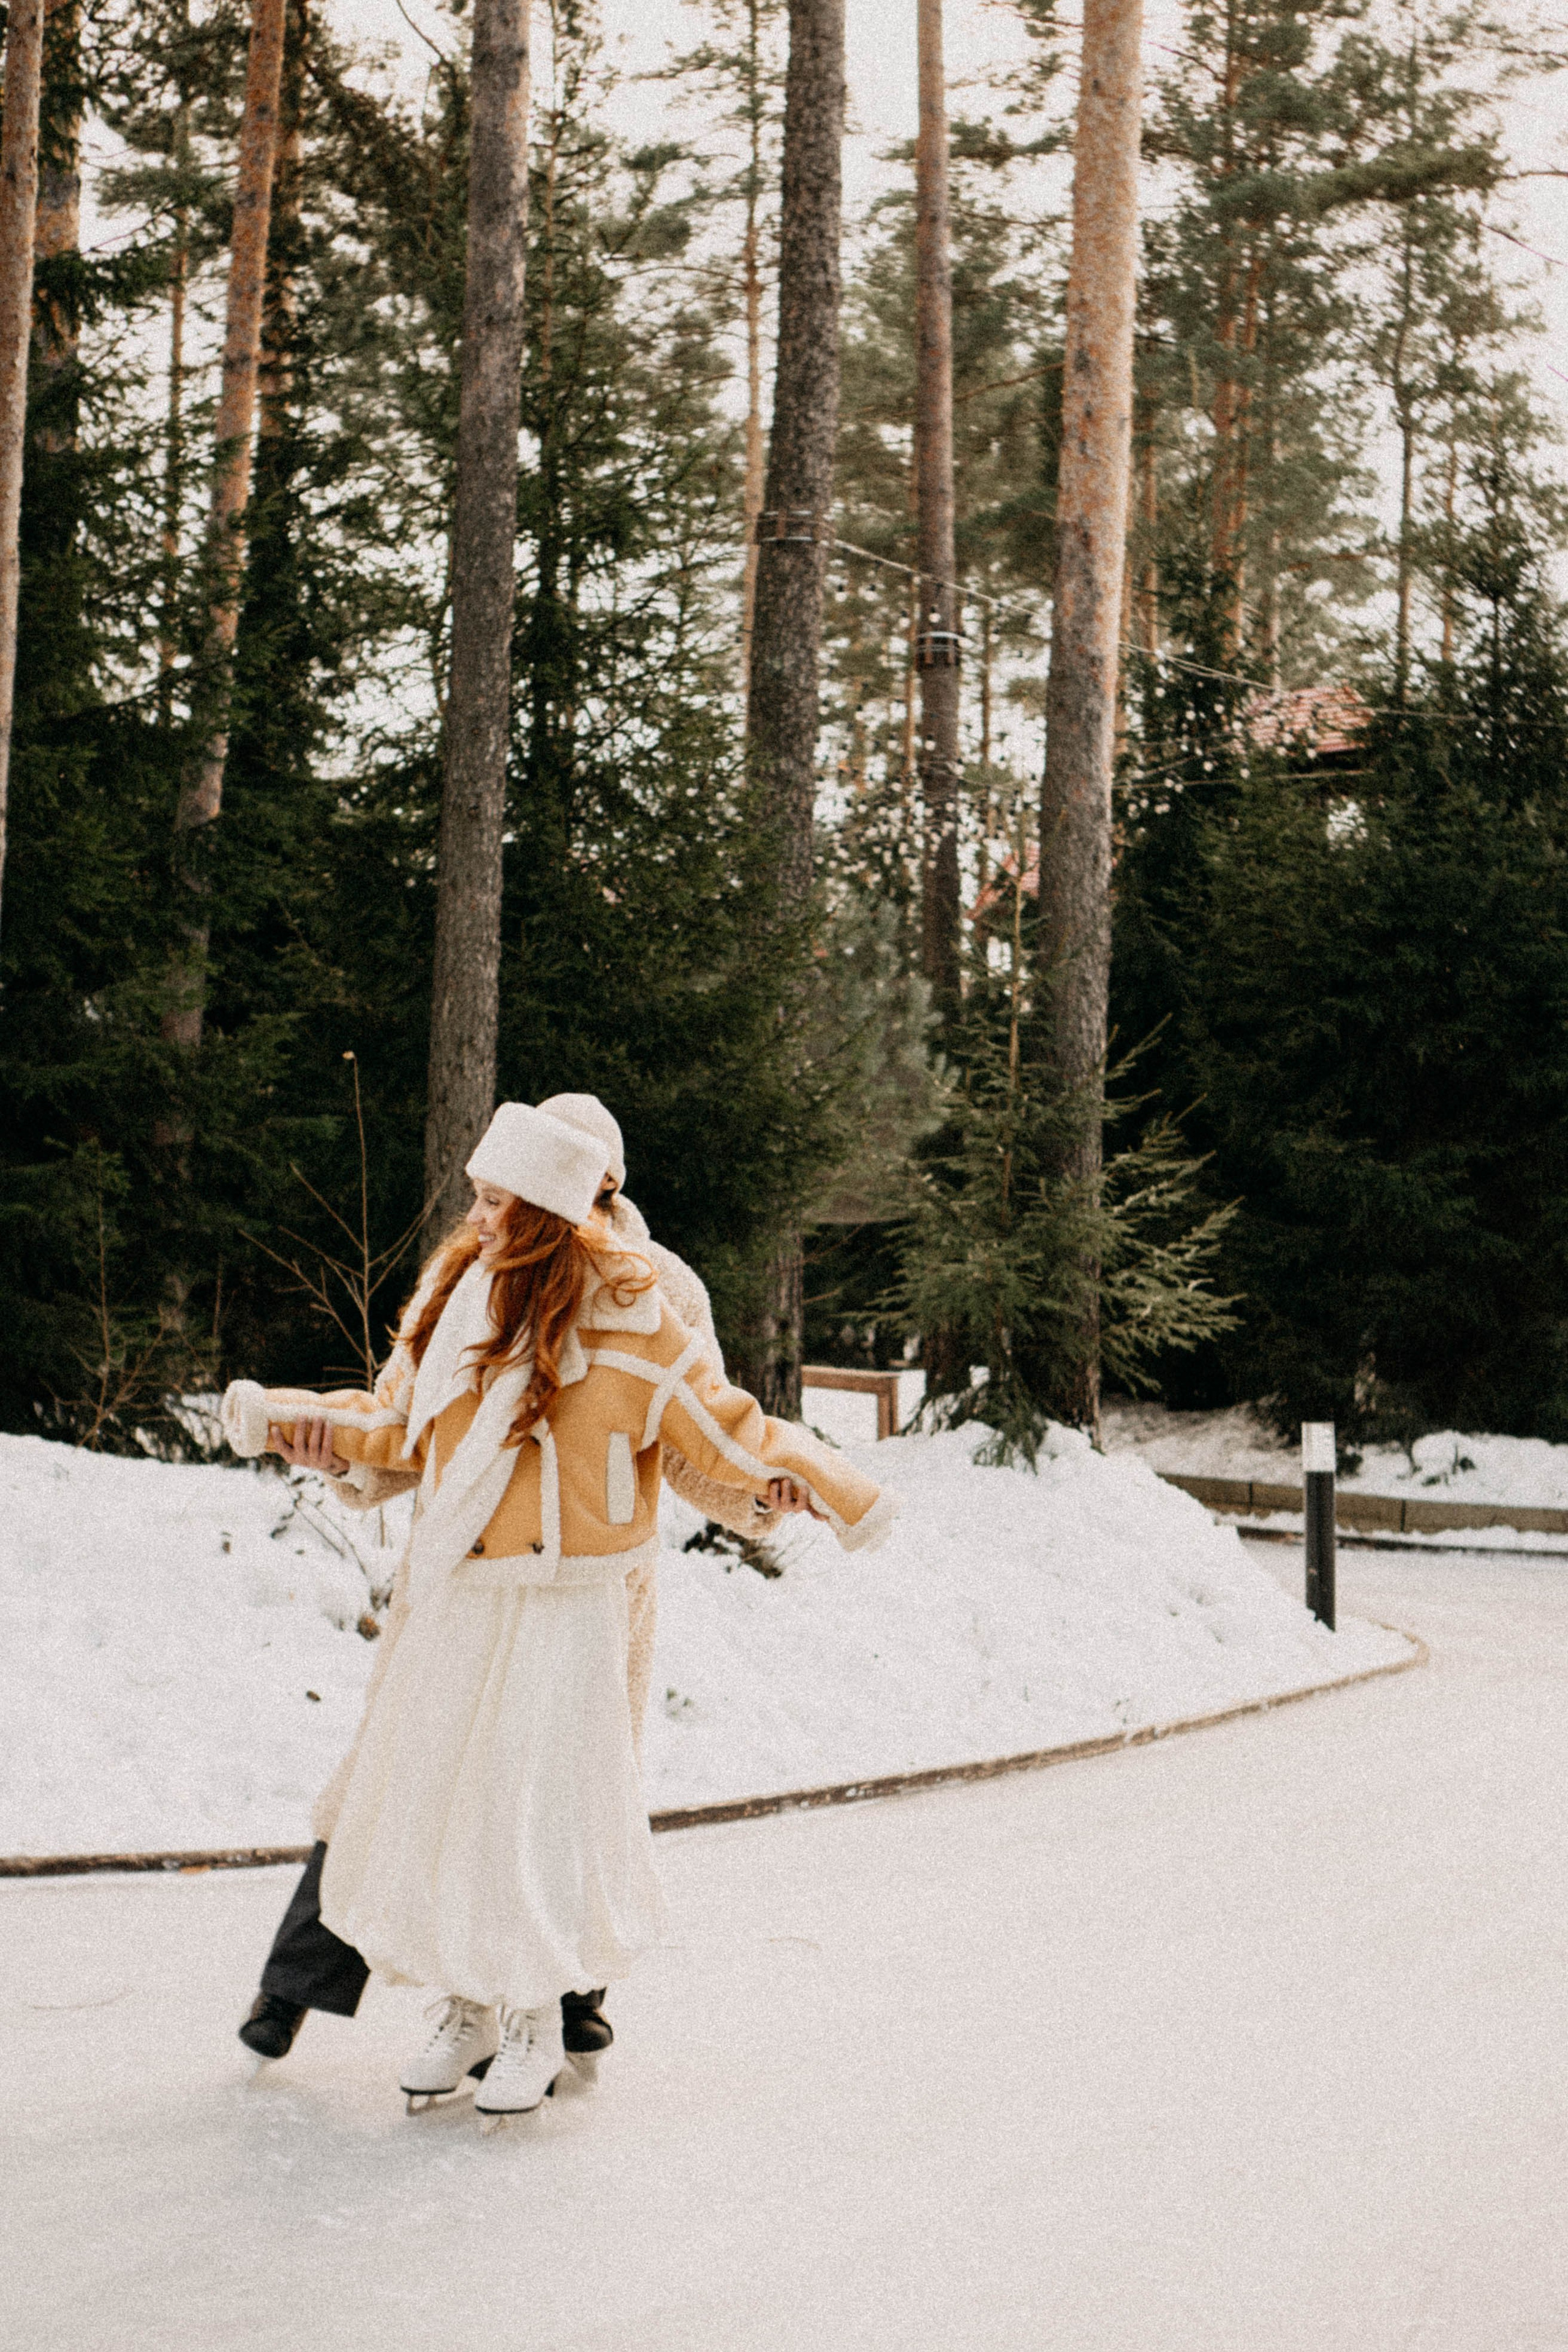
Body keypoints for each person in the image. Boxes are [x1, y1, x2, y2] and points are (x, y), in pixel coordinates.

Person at [224, 1101, 892, 2127]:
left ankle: (552, 2004)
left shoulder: (652, 1293)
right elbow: (408, 1425)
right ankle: (396, 1996)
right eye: (480, 1195)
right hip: (460, 1581)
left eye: (499, 1197)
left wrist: (772, 1492)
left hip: (585, 1586)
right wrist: (324, 1448)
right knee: (434, 1785)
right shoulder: (459, 1287)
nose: (480, 1214)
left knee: (551, 1799)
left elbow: (706, 1436)